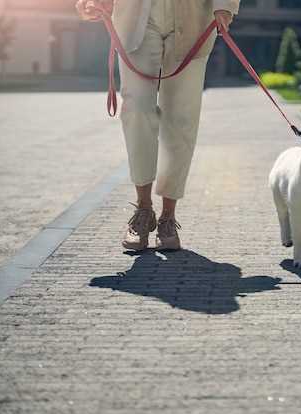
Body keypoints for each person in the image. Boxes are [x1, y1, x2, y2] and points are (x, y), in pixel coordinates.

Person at [76, 0, 239, 251]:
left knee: (181, 118)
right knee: (137, 109)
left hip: (194, 16)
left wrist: (225, 5)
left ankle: (168, 217)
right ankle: (143, 209)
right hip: (136, 15)